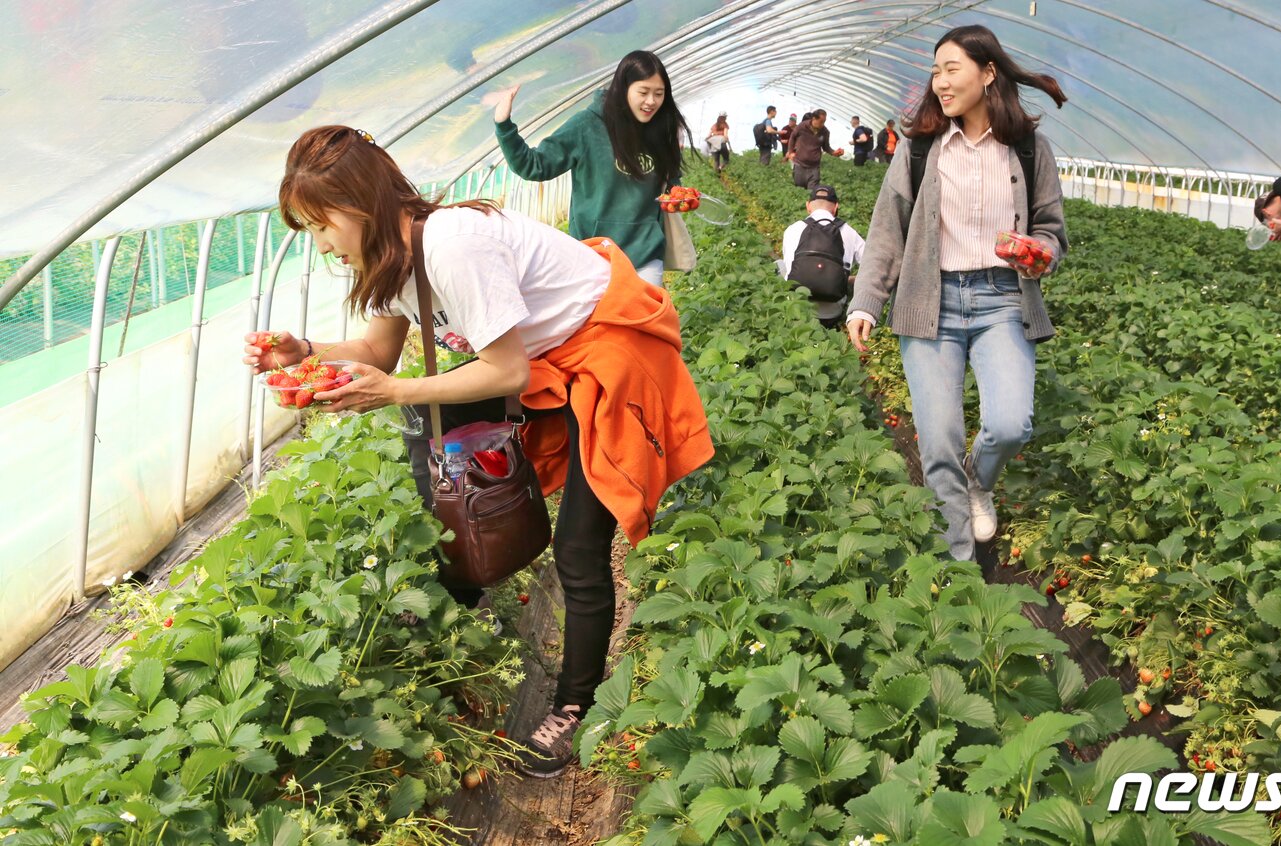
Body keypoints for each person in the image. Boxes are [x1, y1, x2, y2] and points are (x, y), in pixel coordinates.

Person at [251, 125, 714, 779]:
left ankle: (576, 707)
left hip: (612, 353)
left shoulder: (452, 245)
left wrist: (395, 391)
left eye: (321, 225)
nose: (322, 244)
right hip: (551, 360)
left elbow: (505, 371)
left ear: (359, 205)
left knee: (580, 546)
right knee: (454, 479)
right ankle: (453, 631)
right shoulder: (392, 257)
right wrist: (304, 352)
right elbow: (378, 352)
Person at [847, 24, 1068, 562]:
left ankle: (978, 480)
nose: (941, 82)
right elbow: (887, 229)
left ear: (988, 73)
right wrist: (866, 301)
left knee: (1011, 424)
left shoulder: (1028, 149)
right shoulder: (921, 147)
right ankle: (959, 567)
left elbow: (1051, 228)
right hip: (931, 300)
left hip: (1002, 298)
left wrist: (1040, 251)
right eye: (936, 71)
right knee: (939, 440)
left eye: (952, 69)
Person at [490, 50, 693, 287]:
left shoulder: (660, 129)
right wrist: (504, 126)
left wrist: (677, 195)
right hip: (595, 255)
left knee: (643, 312)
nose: (651, 101)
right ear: (623, 88)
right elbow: (533, 165)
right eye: (643, 92)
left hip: (646, 255)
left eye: (659, 94)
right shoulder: (586, 126)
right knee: (604, 313)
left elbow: (671, 178)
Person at [782, 185, 865, 329]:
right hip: (832, 313)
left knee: (780, 266)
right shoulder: (850, 232)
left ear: (808, 206)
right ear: (836, 207)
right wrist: (848, 279)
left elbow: (789, 269)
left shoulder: (793, 229)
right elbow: (872, 267)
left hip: (798, 310)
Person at [786, 109, 845, 190]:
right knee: (799, 188)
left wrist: (834, 152)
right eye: (821, 122)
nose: (822, 124)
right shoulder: (802, 126)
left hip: (814, 167)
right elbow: (792, 137)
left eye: (824, 122)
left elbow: (826, 147)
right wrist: (790, 152)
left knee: (812, 191)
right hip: (800, 164)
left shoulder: (825, 132)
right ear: (814, 118)